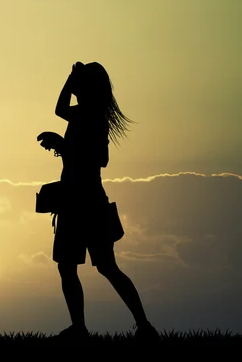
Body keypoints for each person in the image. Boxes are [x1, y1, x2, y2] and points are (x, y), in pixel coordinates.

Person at [38, 61, 159, 341]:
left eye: (79, 83)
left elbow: (99, 160)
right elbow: (59, 110)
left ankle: (139, 326)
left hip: (86, 202)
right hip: (79, 200)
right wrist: (70, 79)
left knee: (96, 267)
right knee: (79, 266)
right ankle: (133, 327)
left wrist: (63, 146)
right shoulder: (83, 114)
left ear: (87, 87)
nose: (74, 88)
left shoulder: (92, 117)